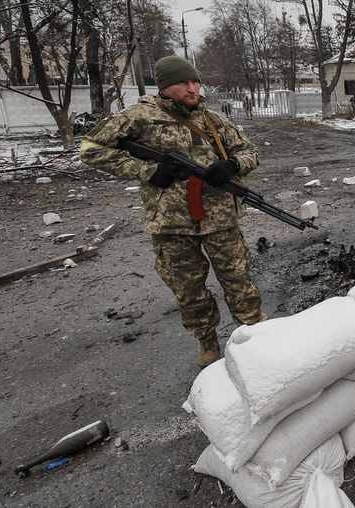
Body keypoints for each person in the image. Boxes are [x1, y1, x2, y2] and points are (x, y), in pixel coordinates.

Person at [80, 55, 266, 369]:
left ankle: (255, 334)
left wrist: (233, 165)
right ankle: (207, 341)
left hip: (220, 219)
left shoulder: (213, 119)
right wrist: (146, 170)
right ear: (166, 87)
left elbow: (249, 151)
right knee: (188, 289)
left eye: (195, 81)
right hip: (171, 224)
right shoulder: (139, 117)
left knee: (239, 280)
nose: (193, 88)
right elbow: (90, 149)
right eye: (184, 83)